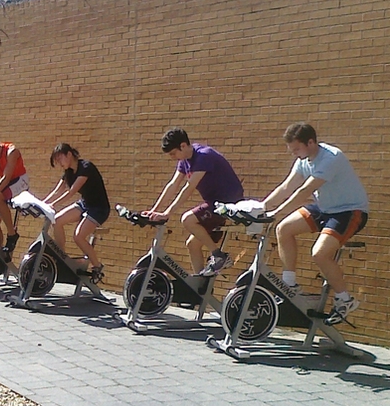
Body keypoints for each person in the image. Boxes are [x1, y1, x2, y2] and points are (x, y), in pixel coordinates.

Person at [262, 122, 368, 324]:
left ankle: (344, 300)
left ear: (310, 142)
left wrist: (276, 211)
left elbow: (304, 192)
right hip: (325, 207)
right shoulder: (304, 158)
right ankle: (289, 285)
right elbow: (287, 186)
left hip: (349, 211)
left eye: (296, 149)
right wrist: (262, 207)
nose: (294, 154)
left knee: (320, 253)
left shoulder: (331, 158)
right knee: (283, 228)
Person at [143, 128, 244, 276]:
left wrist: (167, 213)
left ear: (183, 146)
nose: (172, 157)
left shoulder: (203, 156)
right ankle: (200, 288)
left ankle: (219, 256)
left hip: (228, 204)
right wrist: (154, 210)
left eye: (173, 153)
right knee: (192, 244)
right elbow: (173, 184)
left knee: (188, 219)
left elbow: (188, 187)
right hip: (215, 204)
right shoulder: (185, 160)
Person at [43, 143, 110, 282]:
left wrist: (53, 204)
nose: (59, 163)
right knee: (57, 220)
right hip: (85, 204)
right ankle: (61, 257)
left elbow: (71, 191)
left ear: (69, 155)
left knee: (78, 236)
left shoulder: (86, 167)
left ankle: (97, 267)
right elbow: (57, 191)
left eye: (60, 159)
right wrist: (42, 203)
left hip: (99, 208)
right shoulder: (68, 172)